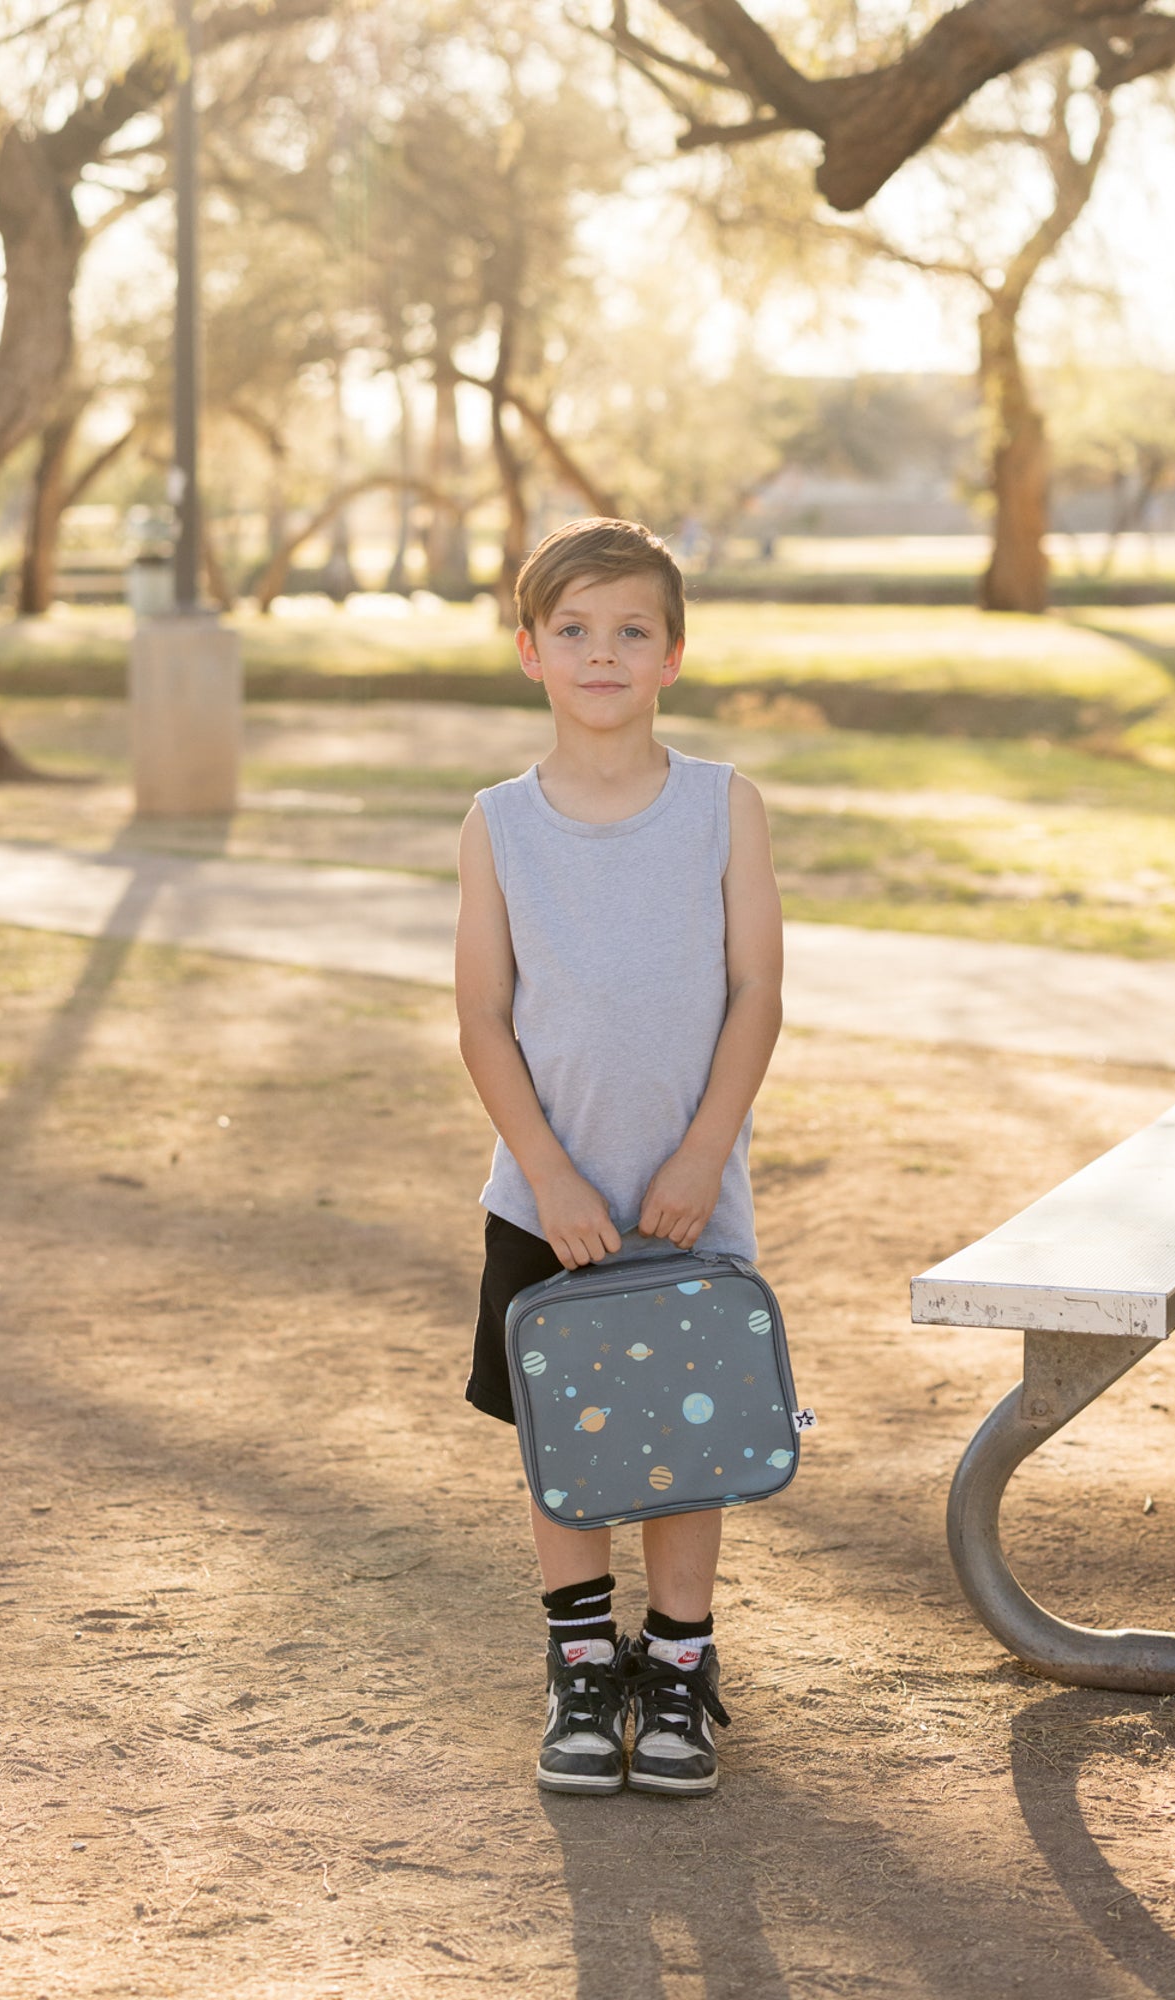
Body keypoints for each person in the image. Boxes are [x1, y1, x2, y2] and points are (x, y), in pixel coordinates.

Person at [454, 517, 785, 1797]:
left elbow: (754, 988)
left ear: (672, 653)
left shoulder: (721, 805)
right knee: (572, 1434)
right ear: (530, 651)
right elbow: (482, 1014)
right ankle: (582, 1661)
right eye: (574, 631)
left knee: (681, 1436)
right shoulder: (497, 822)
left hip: (683, 1198)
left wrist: (703, 1151)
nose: (602, 653)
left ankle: (681, 1660)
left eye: (629, 630)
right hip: (548, 1196)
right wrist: (545, 1169)